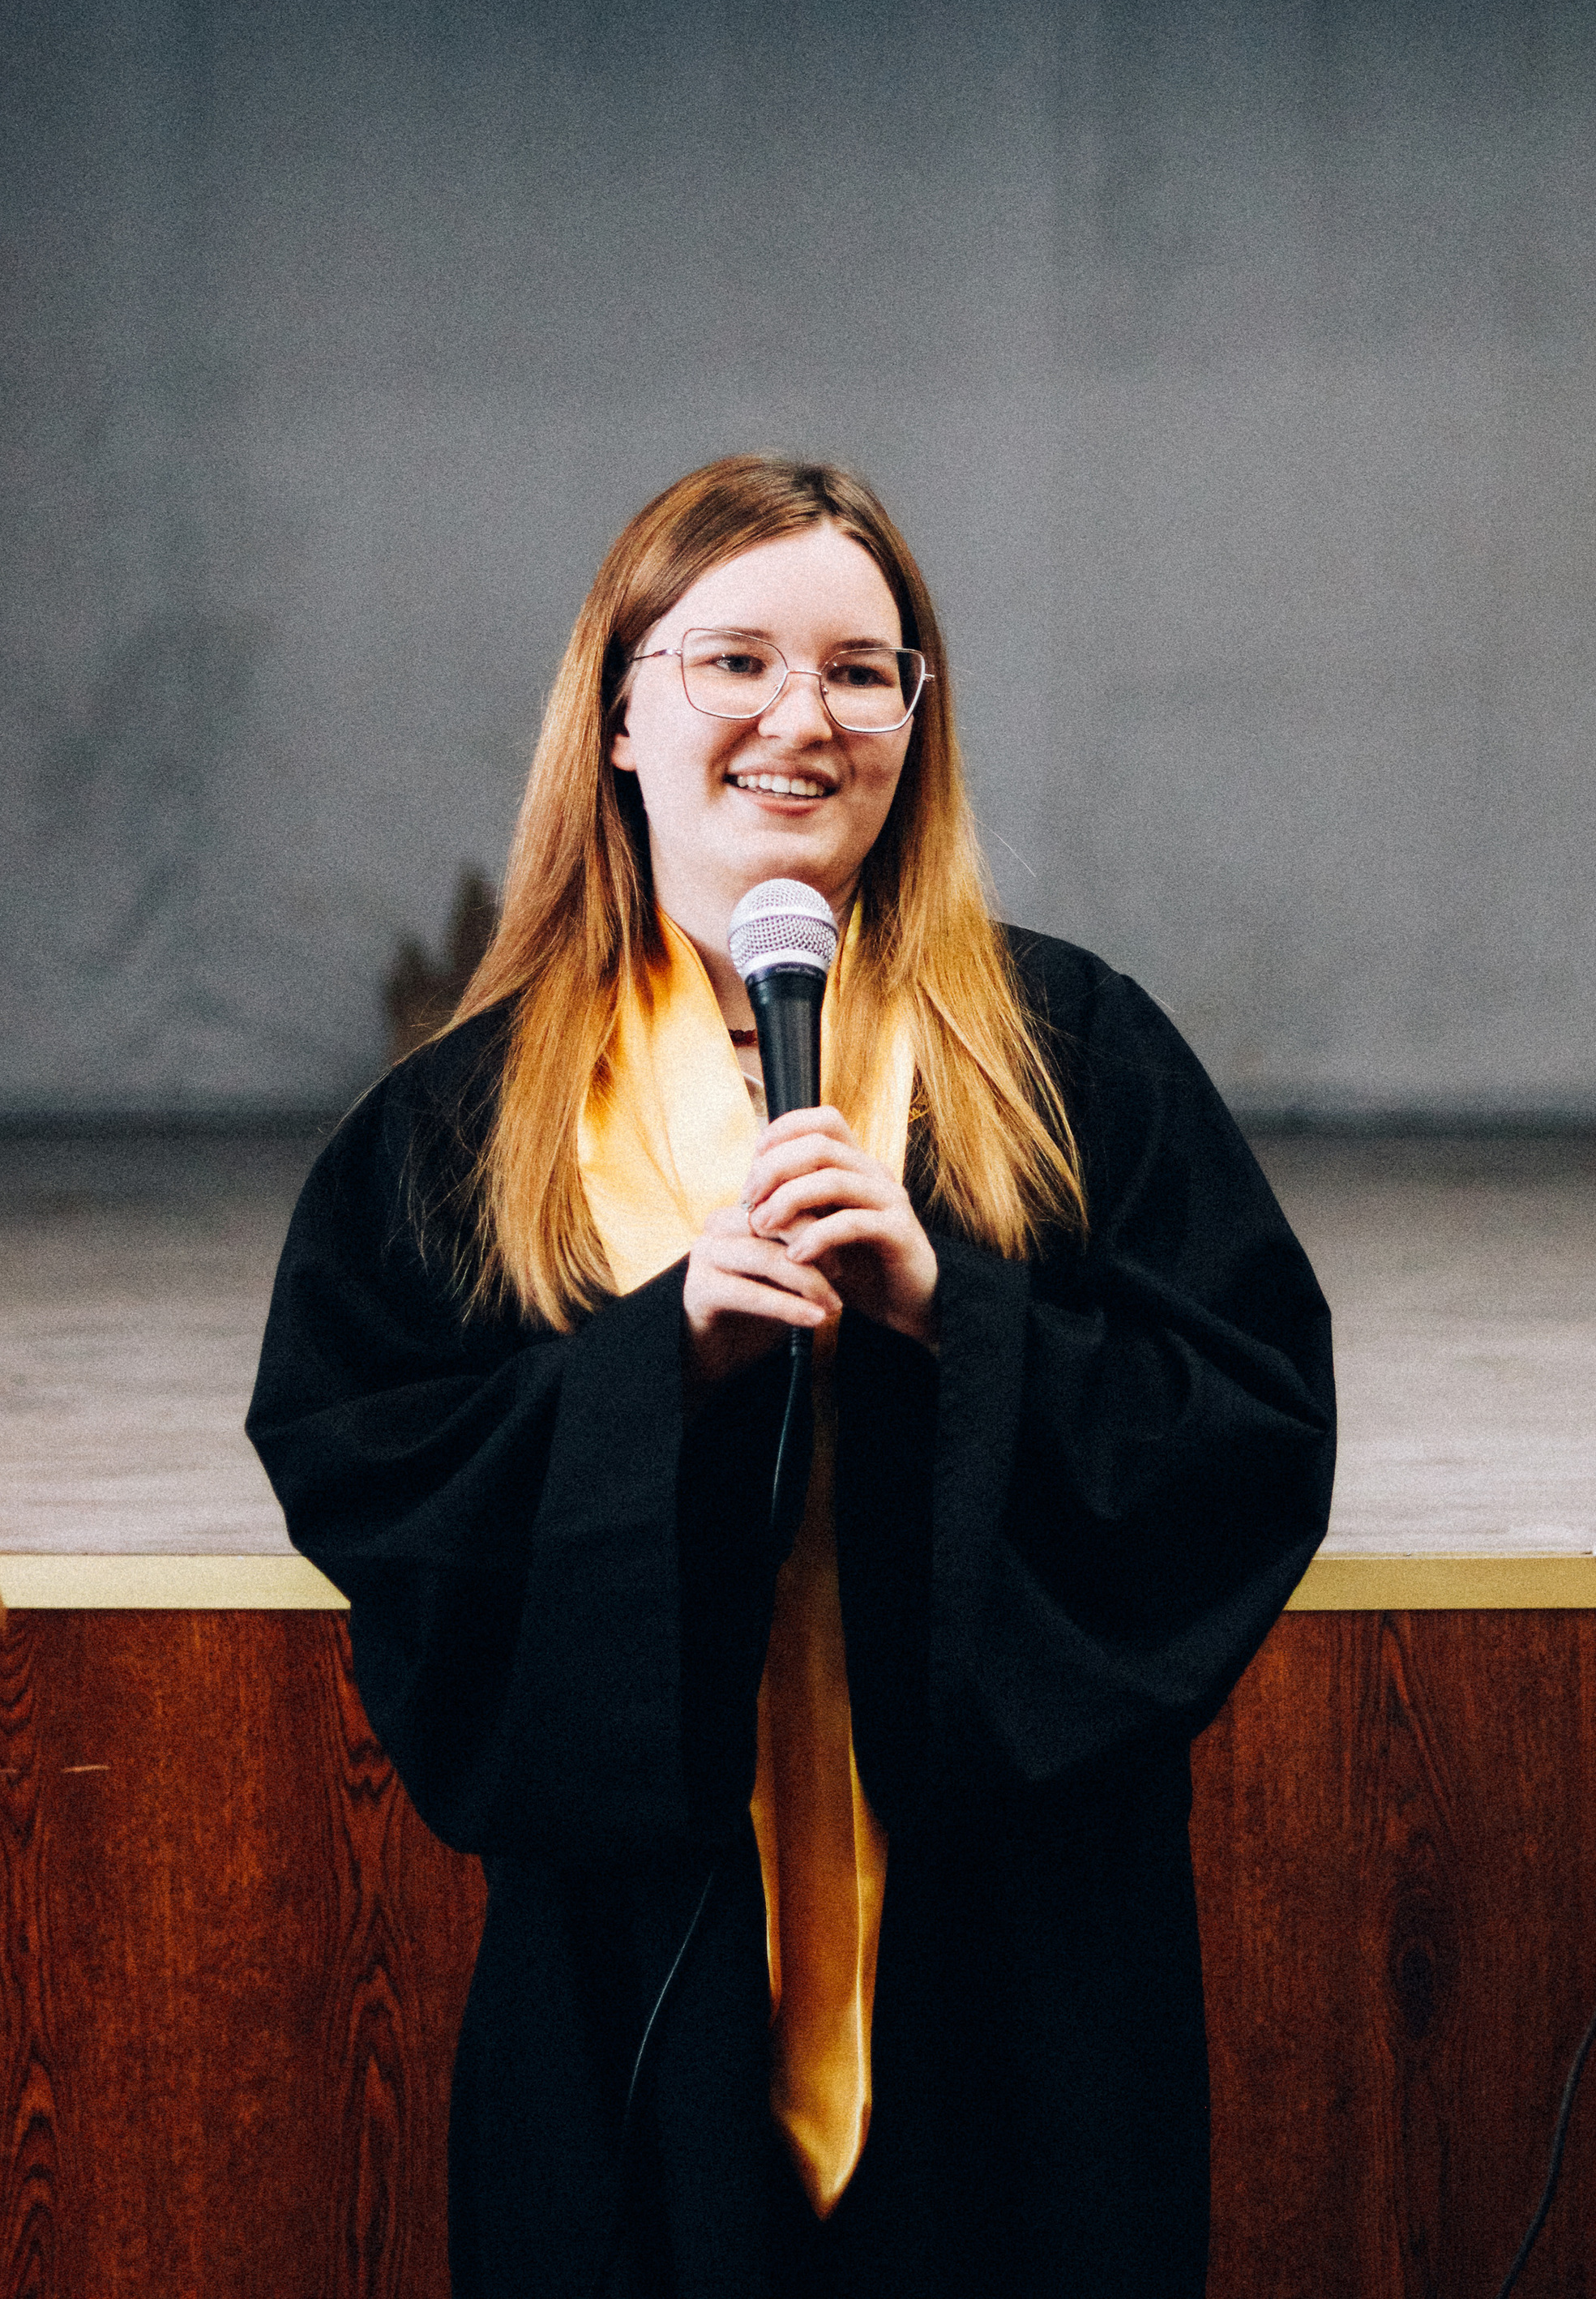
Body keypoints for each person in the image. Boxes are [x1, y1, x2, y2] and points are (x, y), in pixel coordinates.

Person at [248, 454, 1334, 2299]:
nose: (798, 720)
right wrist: (653, 1360)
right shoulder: (463, 1126)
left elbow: (1244, 1442)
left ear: (917, 714)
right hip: (634, 1988)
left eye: (858, 669)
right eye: (729, 662)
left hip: (1014, 1994)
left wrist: (947, 1319)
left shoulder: (1069, 1056)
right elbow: (373, 1472)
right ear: (614, 714)